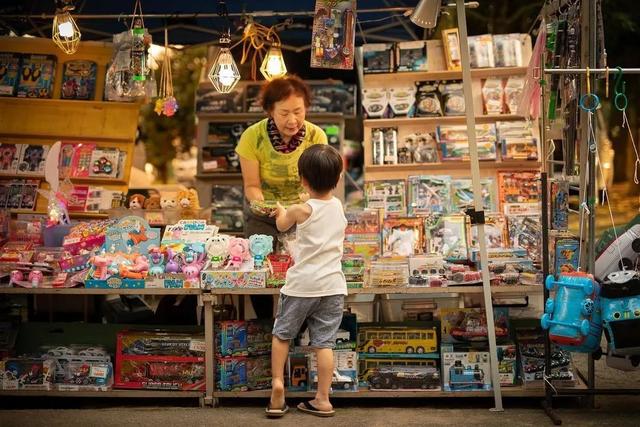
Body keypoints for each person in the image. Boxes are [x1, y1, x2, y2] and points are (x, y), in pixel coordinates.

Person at [235, 76, 328, 319]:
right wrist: (266, 206)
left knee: (303, 272)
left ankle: (296, 330)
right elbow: (252, 185)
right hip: (263, 214)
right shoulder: (251, 137)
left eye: (298, 111)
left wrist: (302, 203)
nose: (293, 120)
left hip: (302, 215)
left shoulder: (316, 137)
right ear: (270, 110)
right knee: (261, 270)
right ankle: (266, 327)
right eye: (284, 113)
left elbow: (319, 184)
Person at [265, 144, 346, 418]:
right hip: (333, 286)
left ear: (302, 178)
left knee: (282, 334)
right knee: (324, 343)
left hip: (302, 286)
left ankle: (277, 387)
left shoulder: (301, 209)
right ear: (337, 178)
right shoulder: (337, 207)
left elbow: (281, 225)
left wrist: (279, 210)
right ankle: (322, 398)